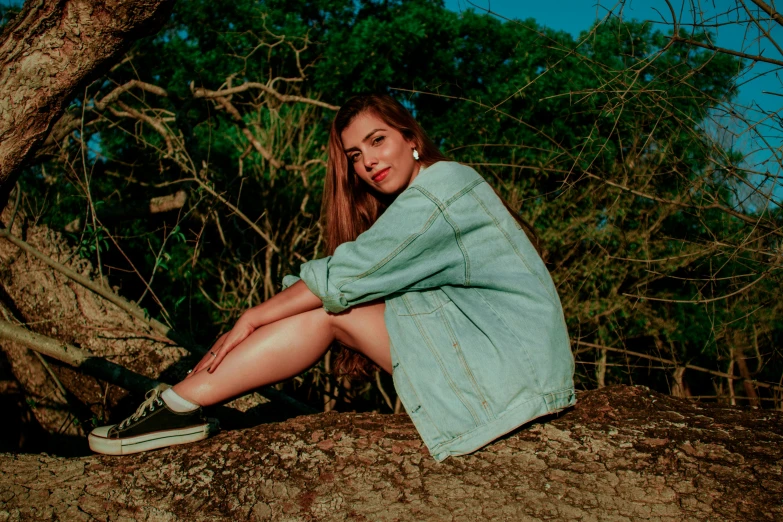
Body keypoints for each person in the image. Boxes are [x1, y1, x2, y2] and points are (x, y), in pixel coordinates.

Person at [88, 94, 576, 461]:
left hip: (511, 370)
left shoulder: (444, 186)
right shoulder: (425, 198)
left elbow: (345, 276)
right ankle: (178, 405)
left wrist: (251, 318)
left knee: (324, 307)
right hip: (512, 365)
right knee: (318, 302)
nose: (369, 162)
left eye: (377, 140)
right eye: (354, 155)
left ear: (412, 138)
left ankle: (176, 405)